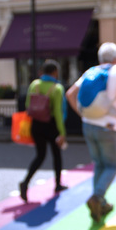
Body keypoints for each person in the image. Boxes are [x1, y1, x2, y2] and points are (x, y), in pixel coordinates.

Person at [66, 42, 116, 224]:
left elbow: (70, 93)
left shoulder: (91, 71)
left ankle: (101, 204)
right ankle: (97, 198)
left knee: (99, 165)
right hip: (108, 126)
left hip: (88, 125)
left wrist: (82, 114)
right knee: (111, 166)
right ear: (115, 59)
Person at [19, 59, 68, 202]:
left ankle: (25, 182)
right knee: (56, 155)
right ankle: (58, 184)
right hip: (51, 125)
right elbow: (58, 113)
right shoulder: (57, 88)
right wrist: (62, 133)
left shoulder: (34, 85)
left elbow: (28, 105)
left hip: (36, 124)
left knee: (40, 156)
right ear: (55, 72)